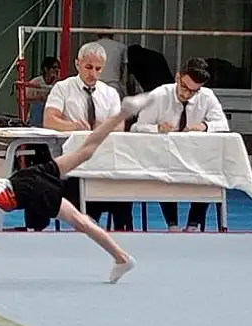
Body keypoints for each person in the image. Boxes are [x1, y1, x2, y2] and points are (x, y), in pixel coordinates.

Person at [0, 93, 157, 287]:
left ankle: (122, 257)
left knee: (80, 221)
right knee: (85, 151)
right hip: (27, 177)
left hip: (31, 191)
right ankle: (124, 111)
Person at [43, 41, 134, 231]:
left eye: (98, 69)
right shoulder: (62, 88)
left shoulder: (110, 93)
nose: (93, 73)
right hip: (71, 163)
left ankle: (122, 232)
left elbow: (120, 126)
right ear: (78, 64)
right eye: (89, 67)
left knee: (123, 187)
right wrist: (72, 126)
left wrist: (105, 127)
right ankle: (87, 223)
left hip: (103, 163)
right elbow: (49, 120)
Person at [131, 57, 229, 232]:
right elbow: (136, 128)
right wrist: (157, 128)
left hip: (195, 158)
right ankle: (172, 225)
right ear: (177, 77)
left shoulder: (207, 96)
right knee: (165, 173)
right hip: (163, 157)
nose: (187, 94)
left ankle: (193, 224)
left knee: (210, 175)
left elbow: (223, 125)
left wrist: (205, 126)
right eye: (184, 87)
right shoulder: (159, 95)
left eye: (193, 91)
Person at [26, 56, 60, 127]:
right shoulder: (35, 82)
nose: (56, 70)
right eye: (54, 67)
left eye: (58, 68)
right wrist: (38, 98)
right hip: (36, 116)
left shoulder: (59, 83)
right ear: (46, 69)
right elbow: (25, 98)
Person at [94, 28, 129, 98]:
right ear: (112, 35)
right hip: (113, 84)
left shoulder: (92, 46)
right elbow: (124, 70)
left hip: (96, 83)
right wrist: (124, 88)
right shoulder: (121, 47)